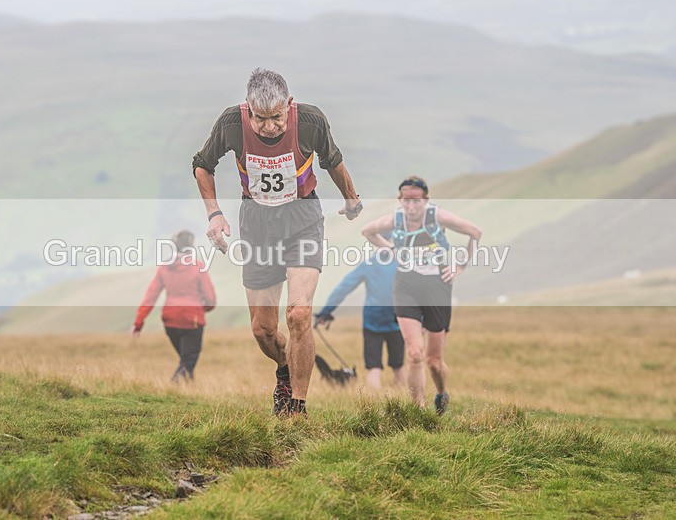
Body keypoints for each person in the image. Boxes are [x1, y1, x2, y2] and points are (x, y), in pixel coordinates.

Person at [192, 68, 362, 416]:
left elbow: (333, 161)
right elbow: (202, 164)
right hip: (256, 225)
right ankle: (285, 369)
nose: (270, 127)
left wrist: (351, 198)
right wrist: (214, 215)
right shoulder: (231, 124)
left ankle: (297, 407)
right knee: (263, 330)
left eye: (277, 118)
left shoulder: (311, 121)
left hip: (302, 220)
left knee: (298, 315)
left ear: (289, 104)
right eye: (261, 119)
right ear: (248, 110)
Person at [361, 176, 481, 415]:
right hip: (406, 287)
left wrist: (461, 266)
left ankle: (441, 393)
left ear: (425, 200)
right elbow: (368, 231)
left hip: (437, 288)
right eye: (406, 201)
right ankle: (419, 412)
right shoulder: (396, 220)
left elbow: (475, 233)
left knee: (434, 362)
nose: (411, 207)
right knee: (414, 353)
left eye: (416, 201)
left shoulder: (437, 217)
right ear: (400, 200)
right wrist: (392, 250)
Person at [314, 247, 407, 390]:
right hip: (397, 320)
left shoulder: (368, 264)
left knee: (374, 367)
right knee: (398, 366)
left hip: (372, 321)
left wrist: (326, 312)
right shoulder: (402, 263)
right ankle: (405, 401)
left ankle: (373, 407)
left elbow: (344, 287)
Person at [131, 230, 217, 383]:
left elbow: (150, 296)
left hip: (170, 320)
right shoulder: (198, 266)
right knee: (188, 362)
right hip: (193, 320)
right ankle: (172, 388)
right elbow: (210, 300)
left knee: (185, 360)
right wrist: (200, 309)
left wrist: (138, 323)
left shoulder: (164, 268)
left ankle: (188, 390)